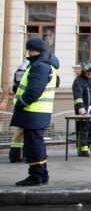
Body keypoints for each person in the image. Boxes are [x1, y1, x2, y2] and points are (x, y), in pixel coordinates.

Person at [11, 37, 59, 186]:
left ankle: (35, 176)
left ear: (34, 51)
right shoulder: (47, 65)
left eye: (30, 51)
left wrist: (21, 103)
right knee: (37, 144)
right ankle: (42, 174)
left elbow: (34, 91)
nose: (28, 54)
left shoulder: (40, 66)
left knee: (33, 145)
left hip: (32, 112)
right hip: (37, 113)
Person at [8, 60, 29, 163]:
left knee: (19, 130)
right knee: (30, 130)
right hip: (29, 105)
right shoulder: (32, 70)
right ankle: (25, 155)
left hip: (19, 103)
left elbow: (14, 89)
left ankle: (14, 155)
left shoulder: (20, 70)